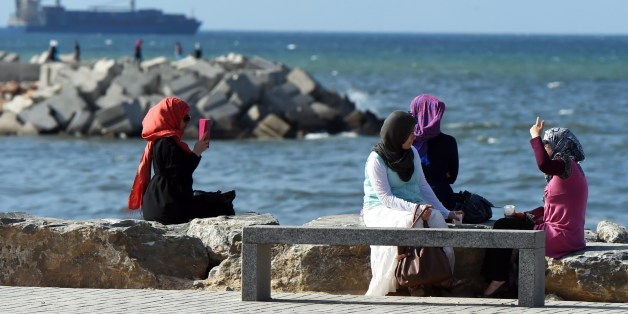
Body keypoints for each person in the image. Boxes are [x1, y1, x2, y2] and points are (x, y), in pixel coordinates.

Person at [478, 117, 587, 297]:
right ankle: (507, 282)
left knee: (501, 226)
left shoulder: (565, 164)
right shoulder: (572, 170)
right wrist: (527, 216)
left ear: (558, 145)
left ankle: (498, 280)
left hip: (558, 236)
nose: (544, 148)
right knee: (512, 223)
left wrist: (535, 136)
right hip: (569, 235)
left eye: (547, 144)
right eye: (542, 144)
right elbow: (553, 209)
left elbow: (543, 164)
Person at [362, 110, 464, 296]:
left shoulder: (412, 153)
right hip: (381, 208)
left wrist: (446, 212)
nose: (414, 136)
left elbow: (423, 187)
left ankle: (444, 276)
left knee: (436, 220)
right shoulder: (376, 159)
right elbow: (385, 198)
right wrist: (416, 209)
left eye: (414, 131)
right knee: (409, 222)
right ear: (397, 134)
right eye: (410, 133)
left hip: (413, 205)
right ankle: (407, 281)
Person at [128, 97, 236, 225]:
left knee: (207, 199)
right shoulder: (166, 143)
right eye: (185, 118)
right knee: (224, 207)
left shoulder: (161, 141)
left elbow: (178, 172)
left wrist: (196, 153)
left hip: (159, 203)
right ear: (171, 117)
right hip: (168, 208)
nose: (187, 123)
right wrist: (196, 152)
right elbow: (181, 174)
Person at [410, 94, 459, 211]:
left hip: (412, 203)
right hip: (443, 203)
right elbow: (452, 178)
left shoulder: (407, 142)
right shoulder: (449, 141)